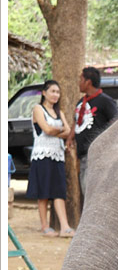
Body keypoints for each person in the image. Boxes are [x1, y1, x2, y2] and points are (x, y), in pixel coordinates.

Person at [25, 80, 75, 237]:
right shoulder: (38, 109)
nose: (55, 95)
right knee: (44, 191)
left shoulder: (59, 112)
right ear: (44, 93)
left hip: (58, 155)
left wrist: (55, 130)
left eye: (58, 92)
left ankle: (65, 226)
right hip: (42, 155)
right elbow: (45, 129)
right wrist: (57, 130)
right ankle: (45, 226)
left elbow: (68, 131)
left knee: (59, 190)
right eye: (52, 91)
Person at [66, 67, 118, 195]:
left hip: (98, 154)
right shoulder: (81, 102)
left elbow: (116, 121)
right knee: (85, 189)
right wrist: (70, 138)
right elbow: (76, 121)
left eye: (81, 79)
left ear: (88, 82)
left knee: (94, 191)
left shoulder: (105, 101)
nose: (79, 82)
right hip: (83, 154)